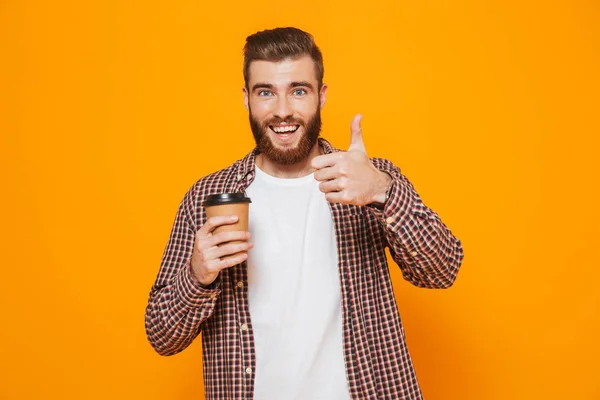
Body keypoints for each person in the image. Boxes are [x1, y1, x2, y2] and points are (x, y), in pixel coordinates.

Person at [145, 27, 464, 400]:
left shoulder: (364, 179)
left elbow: (443, 269)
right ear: (246, 98)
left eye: (298, 90)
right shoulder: (207, 198)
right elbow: (161, 336)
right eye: (266, 92)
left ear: (321, 96)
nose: (283, 111)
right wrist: (198, 275)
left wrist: (382, 191)